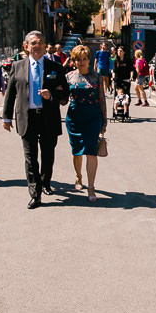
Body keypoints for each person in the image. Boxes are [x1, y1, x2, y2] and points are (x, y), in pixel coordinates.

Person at [2, 30, 70, 209]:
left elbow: (65, 93)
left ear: (45, 45)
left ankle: (45, 181)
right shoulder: (17, 66)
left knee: (48, 155)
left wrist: (52, 94)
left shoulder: (55, 67)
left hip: (48, 117)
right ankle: (35, 193)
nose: (37, 46)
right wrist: (6, 117)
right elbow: (10, 94)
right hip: (27, 117)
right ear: (26, 47)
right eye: (33, 43)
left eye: (40, 42)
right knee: (30, 158)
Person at [65, 44, 107, 203]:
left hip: (93, 117)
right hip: (74, 118)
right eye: (78, 59)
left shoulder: (97, 77)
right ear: (74, 61)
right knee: (76, 151)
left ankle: (91, 187)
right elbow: (63, 98)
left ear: (89, 60)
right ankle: (78, 176)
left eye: (84, 59)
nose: (82, 62)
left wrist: (104, 121)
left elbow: (101, 99)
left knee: (91, 151)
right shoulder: (68, 77)